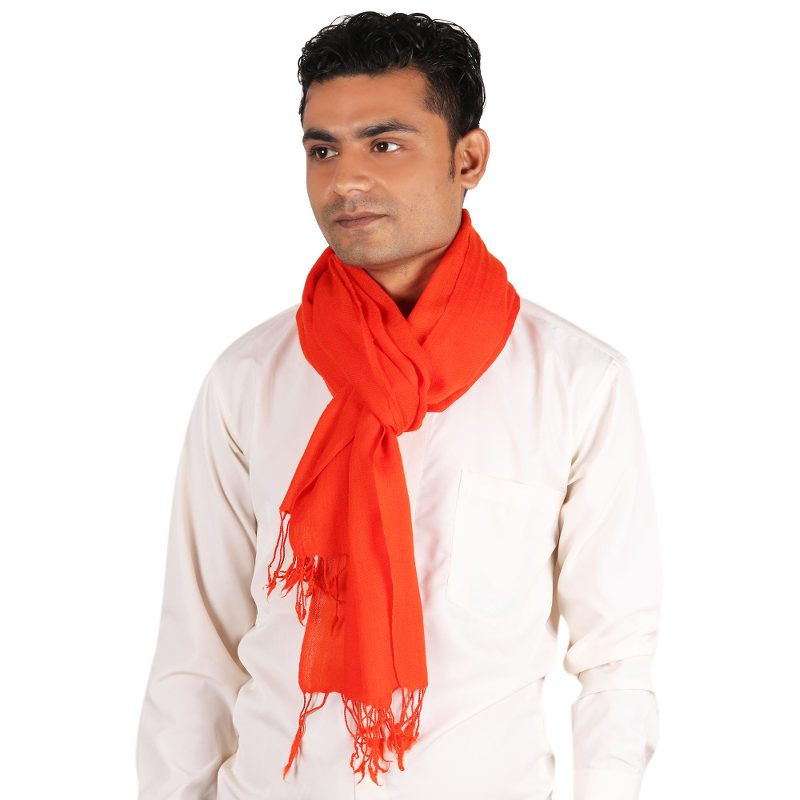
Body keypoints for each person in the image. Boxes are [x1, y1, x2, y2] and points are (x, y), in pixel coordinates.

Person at [135, 11, 662, 800]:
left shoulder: (576, 380)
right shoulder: (249, 377)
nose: (345, 180)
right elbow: (197, 649)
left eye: (384, 145)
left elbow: (616, 657)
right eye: (323, 150)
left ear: (468, 159)